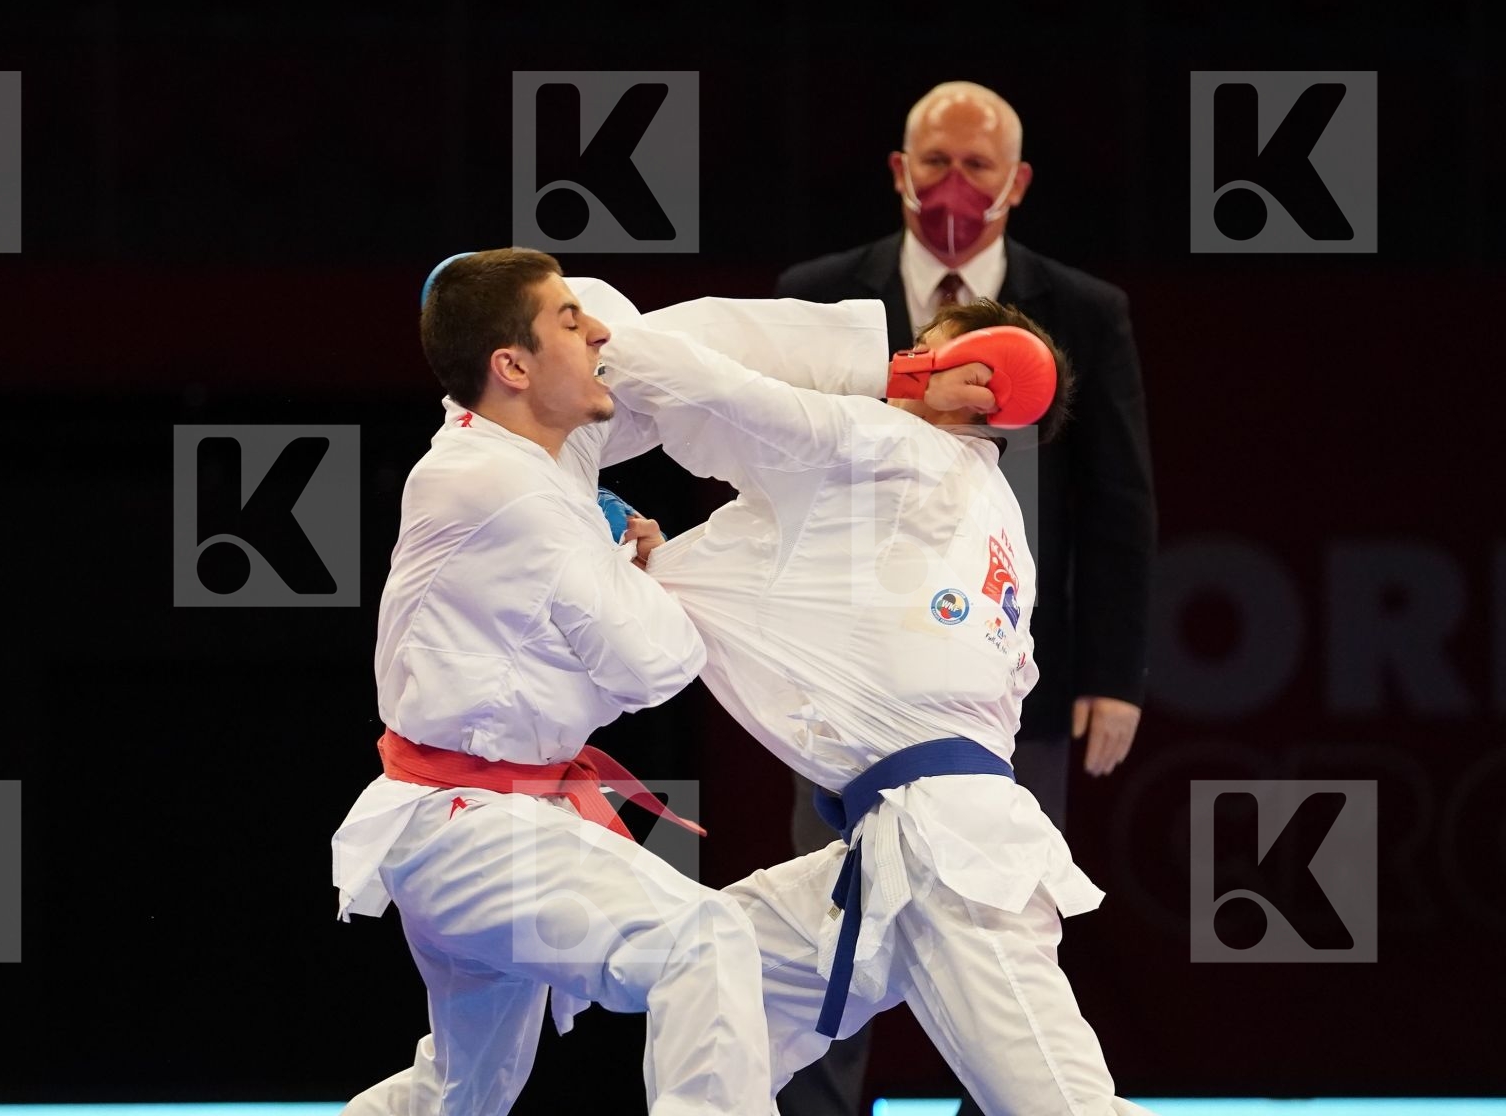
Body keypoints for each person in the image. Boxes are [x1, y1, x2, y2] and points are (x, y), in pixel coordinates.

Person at [595, 292, 1154, 1115]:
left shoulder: (896, 451)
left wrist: (582, 338)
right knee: (709, 967)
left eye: (929, 345)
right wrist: (654, 567)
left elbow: (716, 395)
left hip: (950, 859)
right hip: (897, 846)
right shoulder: (994, 523)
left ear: (981, 382)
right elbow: (821, 603)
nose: (904, 356)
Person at [775, 80, 1157, 1116]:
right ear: (898, 171)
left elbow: (1118, 501)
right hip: (843, 679)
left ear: (1017, 183)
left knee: (995, 937)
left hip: (1004, 677)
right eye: (932, 163)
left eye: (976, 166)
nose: (952, 186)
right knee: (830, 941)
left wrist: (1114, 673)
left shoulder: (1081, 310)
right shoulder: (822, 298)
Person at [331, 248, 773, 1115]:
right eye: (570, 322)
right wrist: (641, 566)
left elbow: (639, 349)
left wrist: (614, 556)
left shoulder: (510, 452)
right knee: (703, 939)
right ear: (512, 365)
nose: (601, 330)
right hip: (467, 823)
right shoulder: (505, 485)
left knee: (465, 1090)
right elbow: (654, 664)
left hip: (467, 814)